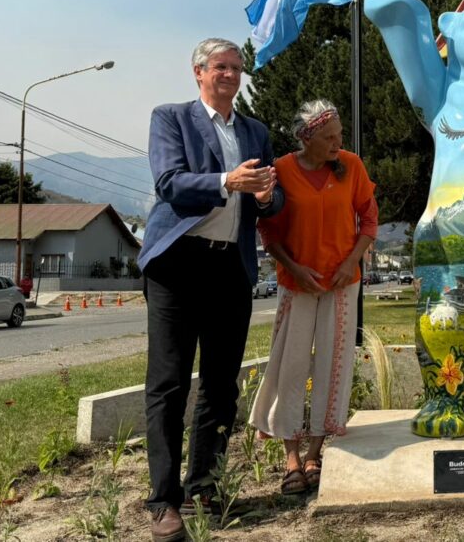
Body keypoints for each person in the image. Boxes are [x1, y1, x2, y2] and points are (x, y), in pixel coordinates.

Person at [137, 38, 284, 542]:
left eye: (236, 68)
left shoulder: (255, 131)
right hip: (177, 266)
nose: (229, 75)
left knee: (221, 386)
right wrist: (228, 180)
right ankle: (163, 500)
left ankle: (206, 486)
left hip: (231, 269)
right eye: (220, 67)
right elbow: (170, 183)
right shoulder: (171, 118)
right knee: (170, 382)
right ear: (198, 72)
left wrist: (266, 195)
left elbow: (271, 198)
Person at [248, 99, 377, 495]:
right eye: (329, 137)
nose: (338, 142)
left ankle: (316, 453)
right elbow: (268, 231)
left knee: (333, 368)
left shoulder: (352, 166)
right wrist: (295, 267)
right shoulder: (282, 170)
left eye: (339, 135)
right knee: (291, 366)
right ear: (307, 138)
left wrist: (350, 264)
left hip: (342, 283)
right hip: (296, 283)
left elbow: (369, 220)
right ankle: (290, 457)